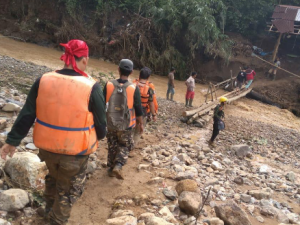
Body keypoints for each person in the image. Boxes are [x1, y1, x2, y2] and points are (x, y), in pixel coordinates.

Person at [0, 40, 107, 225]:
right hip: (75, 153)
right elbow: (101, 124)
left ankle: (48, 209)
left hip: (47, 149)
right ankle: (56, 220)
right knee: (68, 189)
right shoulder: (92, 87)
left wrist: (12, 141)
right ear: (85, 59)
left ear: (66, 58)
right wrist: (101, 135)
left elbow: (27, 113)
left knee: (53, 177)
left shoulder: (44, 79)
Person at [103, 59, 143, 180]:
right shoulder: (133, 87)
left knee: (112, 144)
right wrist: (140, 123)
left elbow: (101, 103)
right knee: (125, 145)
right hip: (126, 124)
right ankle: (119, 165)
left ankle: (110, 168)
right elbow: (138, 107)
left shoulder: (109, 84)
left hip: (110, 122)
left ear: (118, 69)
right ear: (131, 72)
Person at [133, 67, 158, 143]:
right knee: (137, 132)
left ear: (139, 75)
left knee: (128, 130)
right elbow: (151, 103)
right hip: (142, 112)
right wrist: (154, 115)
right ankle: (131, 147)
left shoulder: (132, 85)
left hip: (130, 111)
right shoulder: (149, 89)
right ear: (148, 77)